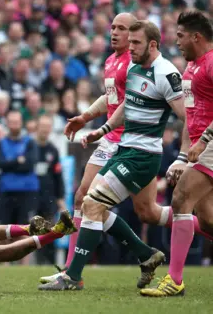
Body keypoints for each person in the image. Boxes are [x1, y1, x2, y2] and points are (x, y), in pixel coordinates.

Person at [40, 20, 185, 291]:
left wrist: (186, 154)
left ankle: (73, 274)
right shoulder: (125, 63)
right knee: (144, 211)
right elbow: (120, 103)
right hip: (120, 144)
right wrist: (99, 127)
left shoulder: (165, 72)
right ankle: (146, 254)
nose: (120, 37)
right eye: (116, 29)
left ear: (151, 42)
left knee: (92, 202)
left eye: (131, 37)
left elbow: (187, 116)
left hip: (138, 153)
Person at [41, 13, 137, 283]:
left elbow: (129, 103)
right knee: (82, 196)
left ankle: (144, 253)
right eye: (113, 27)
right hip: (110, 139)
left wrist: (101, 128)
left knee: (149, 211)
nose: (115, 32)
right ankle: (71, 270)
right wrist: (85, 117)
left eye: (122, 28)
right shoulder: (111, 60)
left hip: (130, 142)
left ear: (135, 34)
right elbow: (110, 98)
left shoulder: (135, 64)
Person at [141, 10, 213, 297]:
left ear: (197, 36)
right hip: (200, 147)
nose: (176, 41)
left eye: (181, 36)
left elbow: (202, 127)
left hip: (212, 143)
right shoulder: (190, 69)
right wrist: (183, 156)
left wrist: (205, 139)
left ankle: (175, 280)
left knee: (181, 196)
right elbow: (190, 119)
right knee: (207, 220)